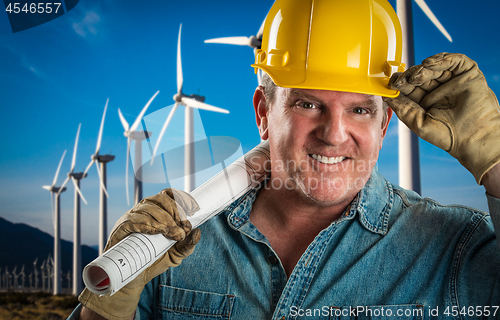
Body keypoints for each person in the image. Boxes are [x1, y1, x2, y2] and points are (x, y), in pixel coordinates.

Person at [70, 0, 500, 319]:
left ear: (385, 124)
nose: (334, 134)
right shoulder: (171, 248)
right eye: (308, 104)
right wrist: (108, 304)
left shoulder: (455, 248)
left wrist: (497, 161)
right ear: (263, 113)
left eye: (360, 109)